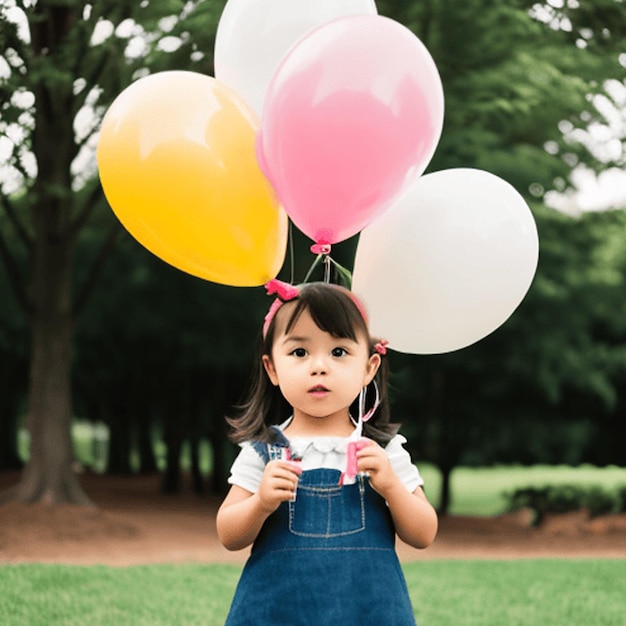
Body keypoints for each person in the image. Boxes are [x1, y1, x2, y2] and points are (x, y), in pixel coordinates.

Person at [217, 280, 438, 625]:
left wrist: (392, 487)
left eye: (338, 352)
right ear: (272, 368)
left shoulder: (383, 449)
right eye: (299, 352)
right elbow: (228, 534)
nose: (319, 366)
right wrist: (260, 503)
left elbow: (424, 533)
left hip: (367, 610)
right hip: (279, 610)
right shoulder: (263, 450)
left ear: (369, 368)